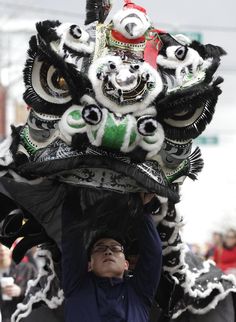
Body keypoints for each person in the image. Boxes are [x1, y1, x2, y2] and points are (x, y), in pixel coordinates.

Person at [62, 191, 162, 322]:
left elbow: (153, 254)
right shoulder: (76, 286)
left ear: (126, 264)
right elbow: (72, 240)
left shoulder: (139, 293)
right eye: (100, 248)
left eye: (115, 248)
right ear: (89, 264)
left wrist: (141, 207)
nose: (108, 252)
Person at [0, 242, 37, 322]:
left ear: (12, 248)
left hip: (23, 318)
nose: (2, 249)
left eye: (5, 245)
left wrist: (21, 291)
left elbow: (41, 291)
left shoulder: (27, 269)